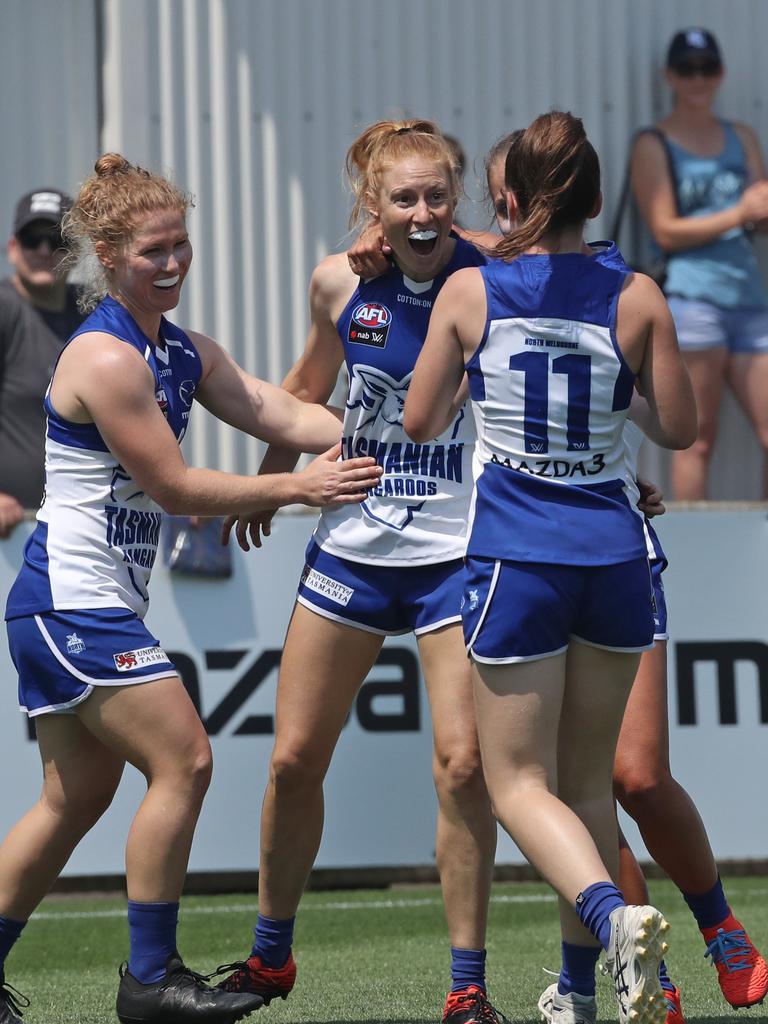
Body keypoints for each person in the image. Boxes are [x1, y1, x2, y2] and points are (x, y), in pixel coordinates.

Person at [0, 153, 382, 1024]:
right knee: (186, 757)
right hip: (71, 600)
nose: (173, 265)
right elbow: (175, 488)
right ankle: (149, 980)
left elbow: (277, 411)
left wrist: (394, 431)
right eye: (152, 252)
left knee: (76, 797)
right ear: (104, 250)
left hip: (81, 603)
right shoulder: (104, 357)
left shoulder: (179, 349)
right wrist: (298, 487)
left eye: (182, 246)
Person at [404, 110, 698, 1024]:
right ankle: (576, 995)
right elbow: (681, 428)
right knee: (584, 785)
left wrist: (468, 382)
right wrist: (623, 408)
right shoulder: (638, 295)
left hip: (516, 559)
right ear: (599, 198)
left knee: (517, 785)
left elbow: (419, 422)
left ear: (516, 200)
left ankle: (613, 915)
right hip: (613, 558)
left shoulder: (472, 293)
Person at [218, 119, 509, 1024]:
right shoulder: (340, 281)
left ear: (453, 199)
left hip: (457, 555)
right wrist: (272, 484)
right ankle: (271, 961)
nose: (422, 215)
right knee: (296, 761)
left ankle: (467, 986)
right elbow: (302, 391)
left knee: (465, 767)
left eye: (436, 196)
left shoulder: (492, 274)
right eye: (402, 198)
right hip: (351, 550)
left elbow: (560, 274)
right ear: (371, 207)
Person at [483, 130, 768, 1024]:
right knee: (576, 786)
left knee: (630, 776)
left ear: (537, 201)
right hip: (524, 552)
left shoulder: (616, 285)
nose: (498, 218)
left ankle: (722, 929)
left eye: (507, 199)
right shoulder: (469, 284)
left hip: (605, 545)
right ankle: (631, 977)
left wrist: (609, 414)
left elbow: (669, 420)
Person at [630, 27, 768, 500]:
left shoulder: (742, 137)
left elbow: (759, 215)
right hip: (692, 300)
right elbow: (665, 229)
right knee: (698, 440)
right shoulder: (653, 143)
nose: (697, 78)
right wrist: (739, 213)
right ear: (670, 75)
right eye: (687, 69)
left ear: (721, 74)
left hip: (750, 298)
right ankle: (701, 557)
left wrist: (758, 214)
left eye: (706, 68)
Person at [0, 189, 85, 537]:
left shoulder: (94, 313)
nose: (44, 251)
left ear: (76, 252)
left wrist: (175, 493)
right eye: (32, 239)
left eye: (56, 239)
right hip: (13, 532)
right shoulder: (4, 309)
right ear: (13, 248)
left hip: (81, 533)